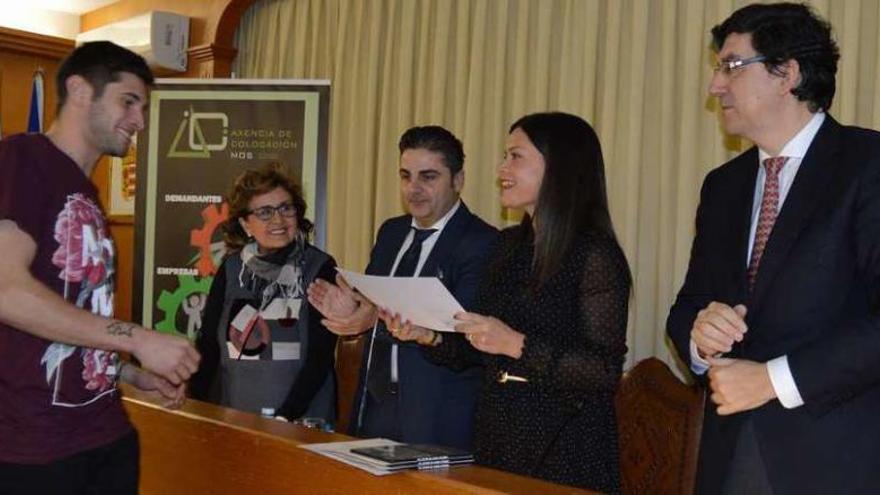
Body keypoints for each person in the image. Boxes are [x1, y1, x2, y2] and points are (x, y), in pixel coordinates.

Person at [666, 3, 880, 493]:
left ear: (788, 74)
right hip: (730, 456)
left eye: (732, 66)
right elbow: (688, 306)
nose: (715, 86)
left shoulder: (867, 165)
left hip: (839, 460)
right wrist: (701, 338)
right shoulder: (723, 186)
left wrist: (773, 380)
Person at [388, 112, 631, 491]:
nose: (502, 168)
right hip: (497, 432)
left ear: (559, 168)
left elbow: (602, 371)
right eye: (504, 156)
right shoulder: (507, 246)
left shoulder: (594, 254)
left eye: (516, 157)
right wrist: (429, 335)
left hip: (563, 444)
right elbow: (479, 347)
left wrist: (515, 344)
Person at [0, 41, 200, 494]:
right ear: (79, 89)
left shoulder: (85, 193)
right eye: (128, 101)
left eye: (143, 108)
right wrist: (139, 338)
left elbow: (63, 317)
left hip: (104, 433)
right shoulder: (24, 159)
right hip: (37, 449)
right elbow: (6, 291)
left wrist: (127, 373)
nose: (140, 121)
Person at [307, 126, 497, 449]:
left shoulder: (482, 243)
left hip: (436, 416)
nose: (414, 189)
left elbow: (463, 336)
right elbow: (371, 306)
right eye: (406, 176)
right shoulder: (391, 233)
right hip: (373, 405)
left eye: (428, 177)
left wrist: (370, 319)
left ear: (458, 180)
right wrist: (351, 312)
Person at [189, 164, 338, 424]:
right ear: (246, 223)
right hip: (236, 419)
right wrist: (194, 407)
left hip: (302, 422)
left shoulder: (319, 267)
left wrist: (284, 418)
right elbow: (209, 346)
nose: (278, 220)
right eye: (265, 212)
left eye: (285, 208)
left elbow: (320, 358)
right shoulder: (231, 268)